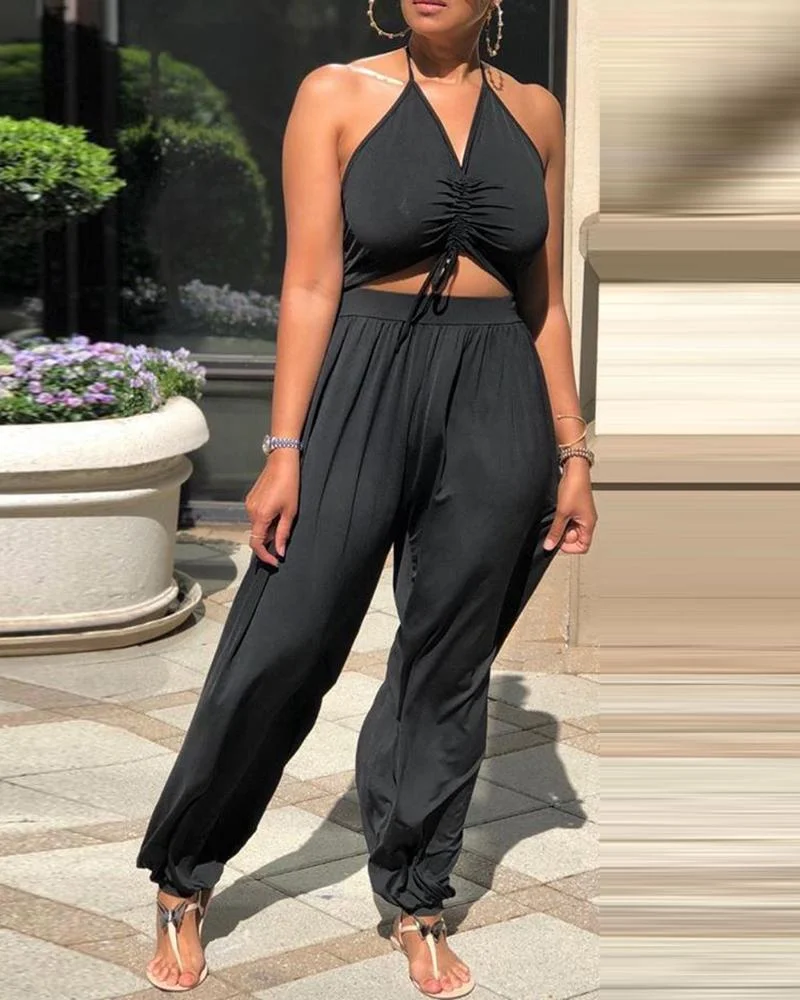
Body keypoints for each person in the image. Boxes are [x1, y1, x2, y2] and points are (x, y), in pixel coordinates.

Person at [138, 0, 598, 995]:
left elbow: (545, 298)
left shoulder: (537, 112)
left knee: (449, 665)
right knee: (284, 637)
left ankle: (418, 895)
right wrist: (281, 448)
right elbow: (308, 283)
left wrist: (571, 450)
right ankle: (184, 874)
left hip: (495, 396)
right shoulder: (336, 93)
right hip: (358, 380)